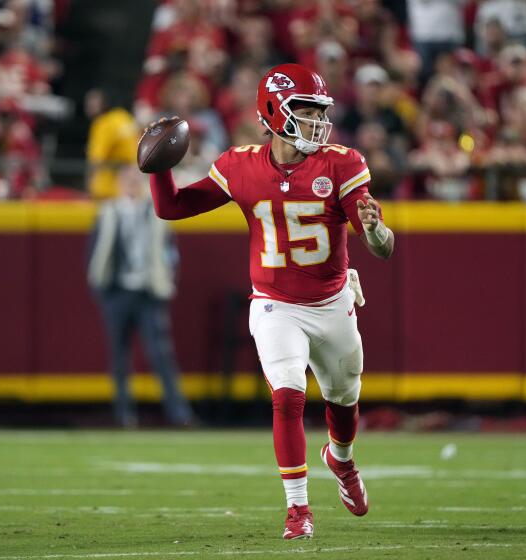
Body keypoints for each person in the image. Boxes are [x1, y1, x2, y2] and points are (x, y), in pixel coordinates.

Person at [145, 63, 395, 540]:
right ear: (273, 112)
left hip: (332, 300)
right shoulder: (240, 165)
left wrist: (375, 228)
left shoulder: (342, 163)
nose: (316, 121)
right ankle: (297, 510)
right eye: (304, 109)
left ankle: (340, 460)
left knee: (344, 400)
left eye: (319, 110)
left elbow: (382, 249)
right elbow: (171, 207)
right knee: (286, 395)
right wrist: (159, 170)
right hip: (275, 302)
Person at [87, 165, 194, 428]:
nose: (132, 186)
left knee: (161, 354)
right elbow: (96, 252)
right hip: (118, 292)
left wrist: (165, 281)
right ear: (120, 185)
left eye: (136, 181)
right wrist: (103, 290)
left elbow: (170, 252)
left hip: (148, 292)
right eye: (128, 181)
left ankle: (178, 413)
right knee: (119, 356)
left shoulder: (154, 213)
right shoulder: (109, 213)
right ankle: (124, 414)